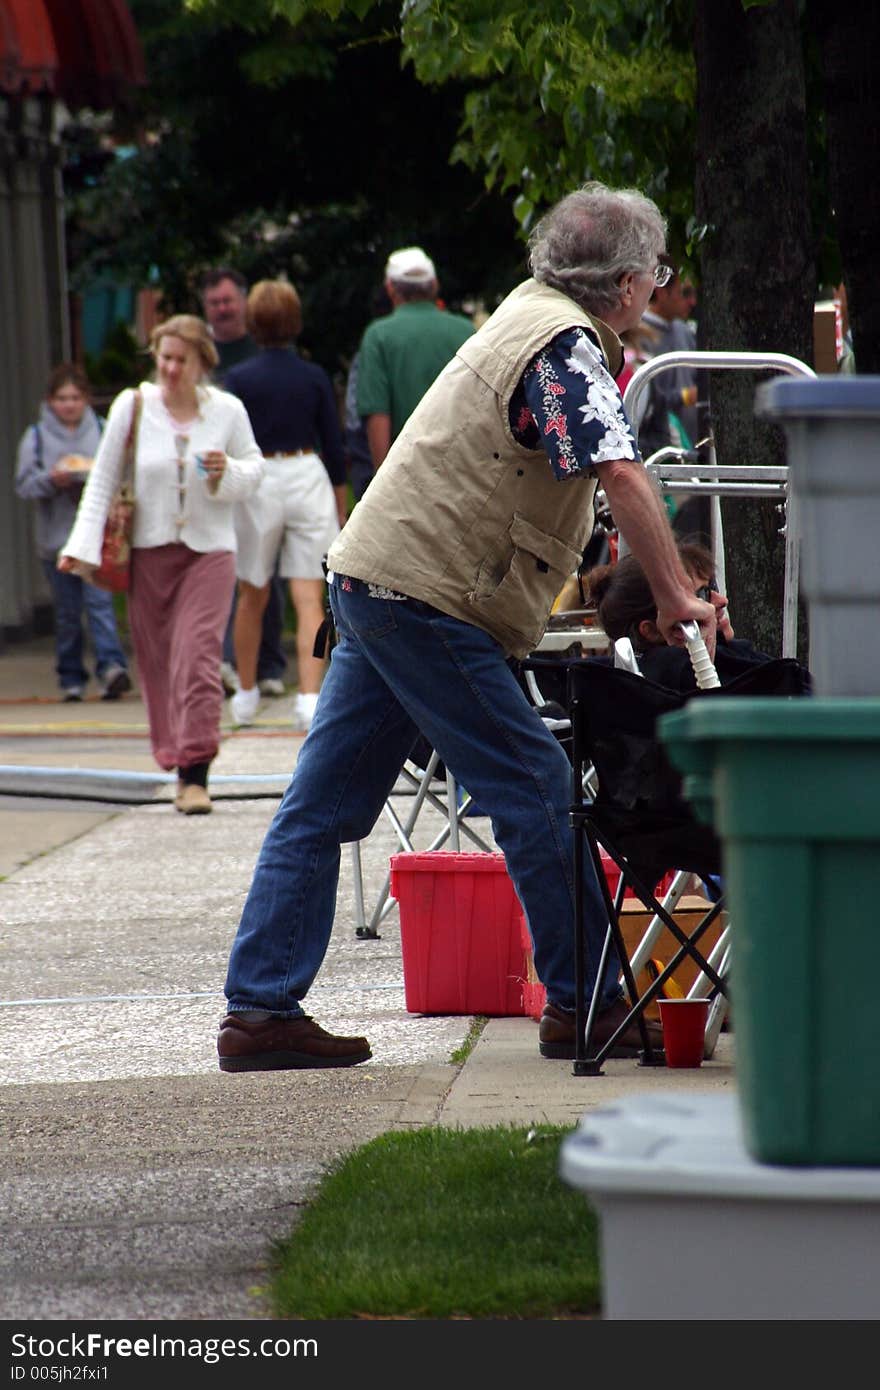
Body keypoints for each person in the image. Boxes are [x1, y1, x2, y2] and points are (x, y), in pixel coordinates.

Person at [216, 181, 715, 1074]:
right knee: (537, 783)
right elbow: (619, 470)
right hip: (430, 595)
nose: (656, 286)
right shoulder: (564, 346)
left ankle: (259, 1011)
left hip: (380, 578)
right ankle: (587, 1003)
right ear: (631, 280)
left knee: (322, 806)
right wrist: (676, 593)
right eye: (657, 272)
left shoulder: (532, 314)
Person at [59, 315, 264, 813]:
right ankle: (176, 757)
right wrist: (81, 546)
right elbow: (103, 480)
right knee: (157, 664)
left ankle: (196, 773)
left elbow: (255, 471)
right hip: (149, 553)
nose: (170, 369)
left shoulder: (228, 411)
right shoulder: (133, 405)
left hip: (210, 550)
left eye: (181, 360)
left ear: (202, 364)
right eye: (164, 358)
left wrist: (226, 473)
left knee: (197, 657)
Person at [223, 280, 346, 733]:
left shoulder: (237, 380)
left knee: (251, 592)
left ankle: (246, 693)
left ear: (252, 323)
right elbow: (334, 448)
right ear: (295, 322)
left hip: (259, 478)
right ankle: (309, 697)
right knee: (309, 595)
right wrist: (339, 506)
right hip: (305, 471)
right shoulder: (313, 376)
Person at [15, 364, 131, 703]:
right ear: (50, 401)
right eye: (62, 398)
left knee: (100, 604)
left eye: (76, 398)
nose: (69, 404)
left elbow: (120, 474)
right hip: (55, 541)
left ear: (86, 400)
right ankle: (71, 675)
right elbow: (23, 485)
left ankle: (111, 669)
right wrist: (53, 480)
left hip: (96, 539)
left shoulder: (101, 429)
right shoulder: (35, 437)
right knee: (67, 612)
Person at [199, 266, 287, 698]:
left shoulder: (260, 352)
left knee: (262, 575)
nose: (222, 308)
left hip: (260, 475)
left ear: (244, 303)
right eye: (214, 302)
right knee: (229, 577)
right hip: (217, 480)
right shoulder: (202, 356)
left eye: (228, 300)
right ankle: (228, 663)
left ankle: (268, 665)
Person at [588, 542, 811, 692]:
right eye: (702, 595)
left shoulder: (641, 682)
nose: (722, 600)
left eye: (712, 586)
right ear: (652, 630)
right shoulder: (695, 674)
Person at [356, 245, 474, 473]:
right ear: (435, 286)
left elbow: (377, 414)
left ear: (390, 289)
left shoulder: (378, 335)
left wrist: (383, 479)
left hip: (408, 472)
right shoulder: (465, 331)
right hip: (462, 469)